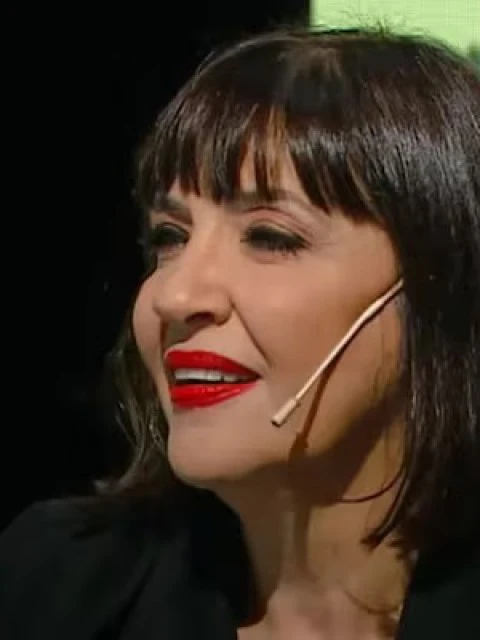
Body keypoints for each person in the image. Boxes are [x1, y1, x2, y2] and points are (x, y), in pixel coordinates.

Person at [1, 26, 479, 640]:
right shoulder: (52, 585)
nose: (173, 296)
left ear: (443, 290)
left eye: (270, 237)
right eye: (170, 237)